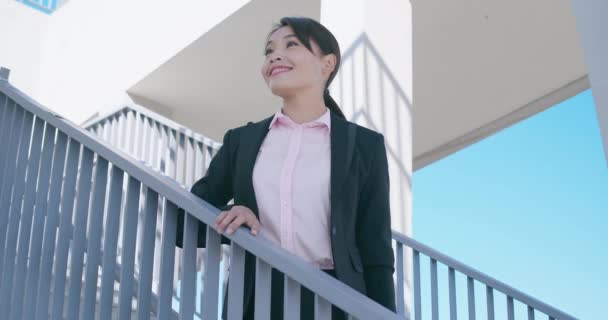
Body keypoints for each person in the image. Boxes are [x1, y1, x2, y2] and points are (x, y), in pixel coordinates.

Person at [177, 16, 396, 319]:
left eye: (291, 44)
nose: (274, 56)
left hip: (336, 300)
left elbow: (376, 249)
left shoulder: (365, 146)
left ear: (327, 63)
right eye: (269, 51)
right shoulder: (241, 141)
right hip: (255, 300)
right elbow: (184, 224)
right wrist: (233, 218)